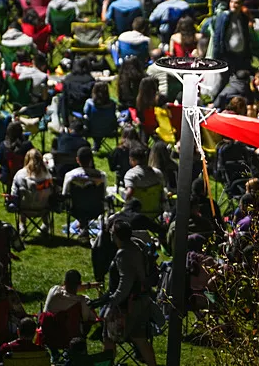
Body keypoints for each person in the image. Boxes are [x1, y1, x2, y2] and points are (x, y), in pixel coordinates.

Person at [102, 221, 157, 366]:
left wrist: (112, 301)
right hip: (141, 299)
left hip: (127, 305)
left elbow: (125, 283)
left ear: (115, 236)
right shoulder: (137, 245)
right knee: (140, 338)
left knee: (108, 337)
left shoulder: (123, 254)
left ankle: (108, 364)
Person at [62, 147, 107, 238]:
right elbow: (104, 194)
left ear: (77, 160)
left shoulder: (70, 175)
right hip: (95, 209)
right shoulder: (101, 176)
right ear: (91, 160)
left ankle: (83, 225)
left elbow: (64, 194)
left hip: (75, 209)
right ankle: (84, 226)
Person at [11, 149, 54, 236]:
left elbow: (13, 194)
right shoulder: (47, 175)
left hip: (24, 209)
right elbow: (53, 192)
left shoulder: (20, 174)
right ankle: (46, 224)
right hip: (44, 209)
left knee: (22, 197)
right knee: (44, 196)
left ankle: (22, 225)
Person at [212, 0, 253, 72]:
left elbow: (246, 35)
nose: (233, 5)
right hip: (228, 56)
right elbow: (217, 37)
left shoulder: (243, 18)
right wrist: (216, 59)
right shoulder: (223, 17)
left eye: (236, 3)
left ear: (241, 4)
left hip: (241, 55)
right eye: (231, 2)